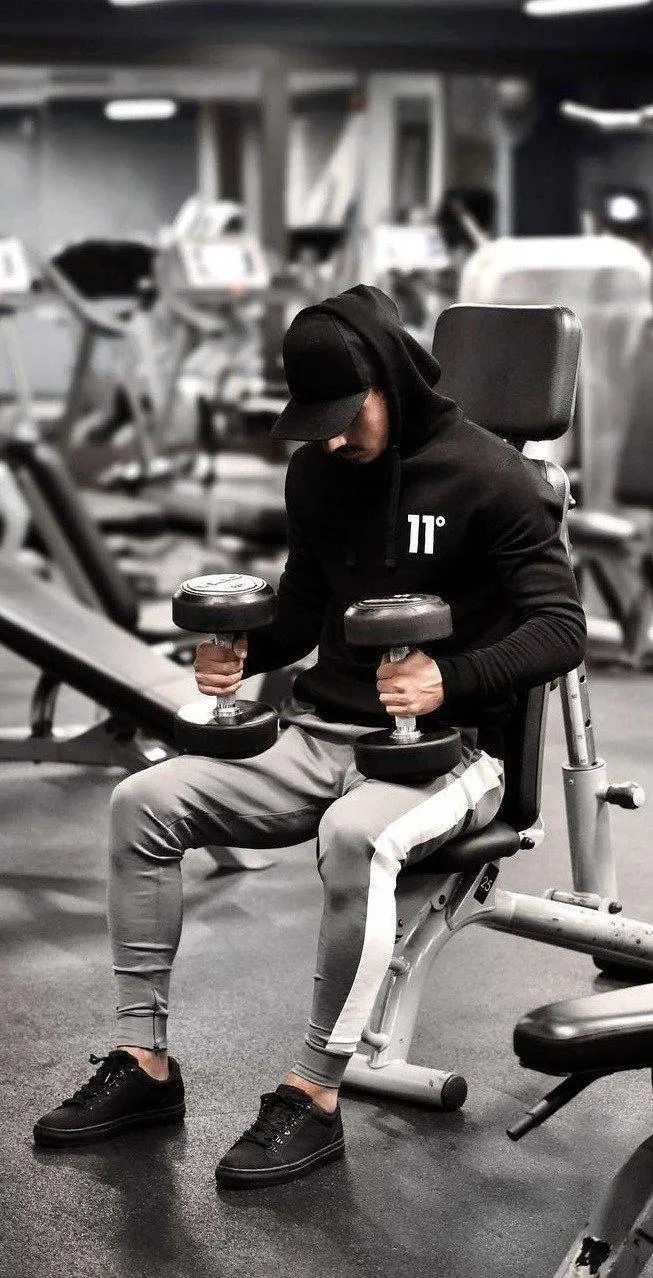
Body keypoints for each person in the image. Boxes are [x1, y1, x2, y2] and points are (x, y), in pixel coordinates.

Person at [33, 285, 586, 1188]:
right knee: (141, 803)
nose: (329, 441)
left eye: (343, 417)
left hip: (446, 751)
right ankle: (143, 1064)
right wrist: (244, 651)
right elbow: (301, 610)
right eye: (314, 424)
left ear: (389, 383)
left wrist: (446, 679)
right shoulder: (319, 474)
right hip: (317, 732)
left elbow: (560, 630)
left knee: (353, 833)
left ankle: (314, 1095)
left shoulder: (496, 480)